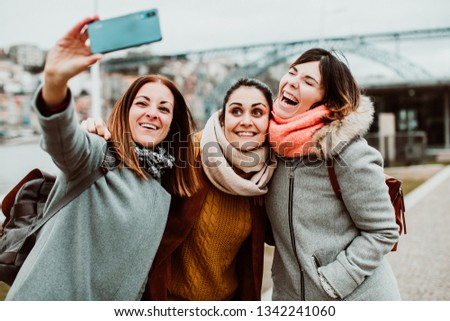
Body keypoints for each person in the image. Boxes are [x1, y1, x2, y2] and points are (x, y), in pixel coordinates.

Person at [6, 17, 200, 301]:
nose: (152, 113)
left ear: (172, 124)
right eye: (142, 103)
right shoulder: (98, 155)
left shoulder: (165, 186)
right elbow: (61, 137)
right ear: (126, 111)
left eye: (164, 108)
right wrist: (55, 82)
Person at [83, 78, 277, 300]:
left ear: (269, 123)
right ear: (222, 120)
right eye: (236, 111)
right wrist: (94, 138)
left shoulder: (266, 176)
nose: (246, 121)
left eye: (257, 112)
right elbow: (134, 153)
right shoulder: (185, 155)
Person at [265, 48, 401, 301]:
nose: (293, 81)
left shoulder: (349, 153)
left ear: (327, 101)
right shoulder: (271, 151)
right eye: (292, 72)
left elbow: (383, 231)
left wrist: (334, 280)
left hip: (355, 299)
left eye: (308, 81)